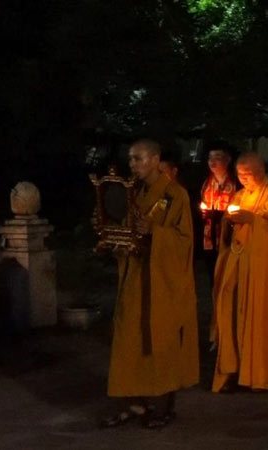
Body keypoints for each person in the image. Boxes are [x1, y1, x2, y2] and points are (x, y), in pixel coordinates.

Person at [102, 139, 199, 429]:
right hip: (135, 277)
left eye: (139, 159)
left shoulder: (174, 194)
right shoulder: (133, 193)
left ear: (156, 159)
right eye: (130, 159)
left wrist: (155, 232)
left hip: (163, 281)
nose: (132, 165)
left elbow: (184, 241)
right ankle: (131, 402)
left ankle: (163, 406)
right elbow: (125, 231)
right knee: (128, 340)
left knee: (160, 338)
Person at [210, 152, 268, 392]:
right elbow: (228, 229)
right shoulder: (238, 195)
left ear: (259, 173)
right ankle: (235, 370)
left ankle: (263, 373)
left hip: (264, 270)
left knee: (262, 318)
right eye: (239, 174)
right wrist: (229, 221)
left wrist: (255, 221)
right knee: (234, 314)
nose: (243, 179)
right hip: (239, 264)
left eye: (247, 174)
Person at [200, 144, 237, 285]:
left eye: (217, 158)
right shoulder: (206, 183)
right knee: (213, 276)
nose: (212, 162)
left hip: (229, 236)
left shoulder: (236, 183)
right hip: (209, 237)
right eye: (210, 158)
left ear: (228, 160)